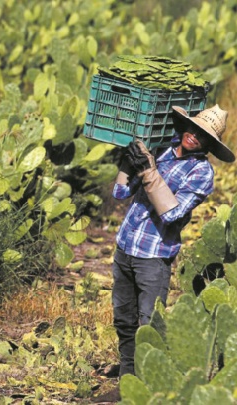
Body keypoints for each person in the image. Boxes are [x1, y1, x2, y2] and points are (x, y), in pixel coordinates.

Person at [94, 104, 234, 402]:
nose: (195, 136)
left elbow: (172, 214)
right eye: (193, 128)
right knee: (124, 320)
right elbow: (120, 193)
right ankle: (127, 383)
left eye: (203, 135)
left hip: (154, 257)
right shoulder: (160, 152)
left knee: (148, 325)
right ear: (185, 127)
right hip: (126, 247)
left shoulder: (201, 172)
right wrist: (128, 162)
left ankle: (147, 390)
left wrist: (148, 171)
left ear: (210, 144)